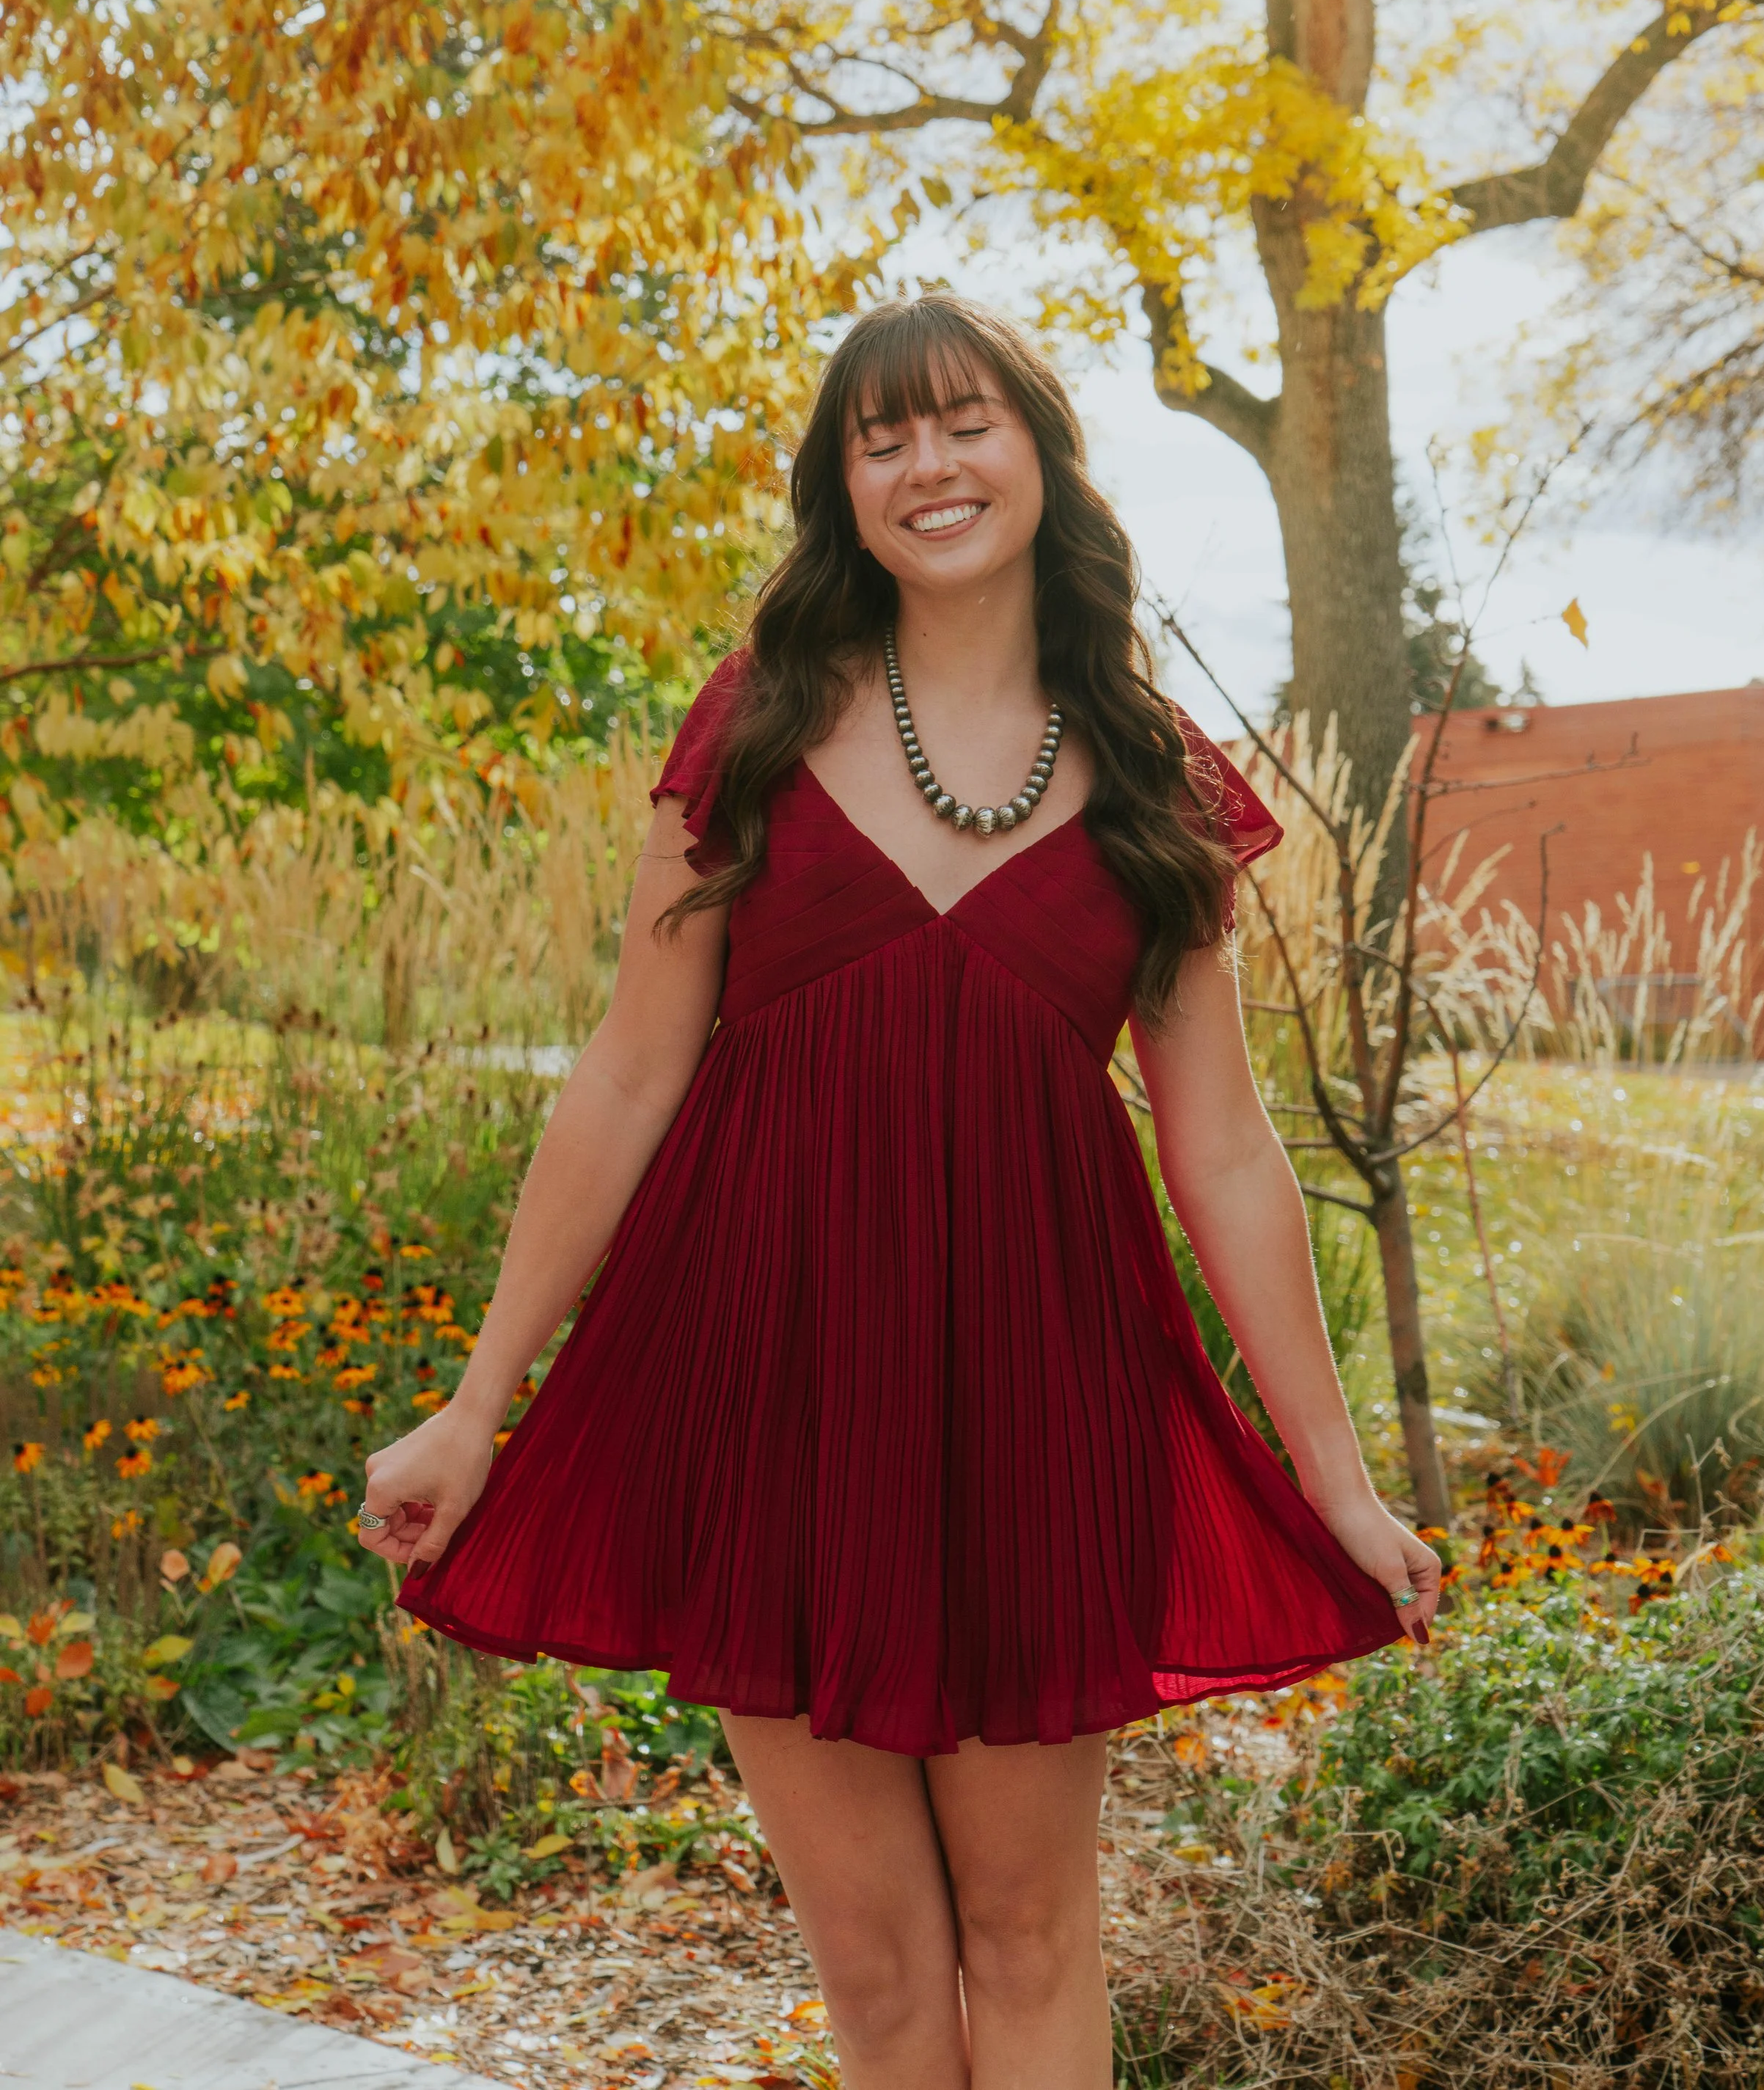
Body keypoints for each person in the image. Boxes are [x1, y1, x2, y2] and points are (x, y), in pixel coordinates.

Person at [356, 295, 1441, 2090]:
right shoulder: (758, 726)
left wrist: (1328, 1475)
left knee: (1027, 1938)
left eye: (962, 423)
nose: (926, 464)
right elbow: (630, 1072)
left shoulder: (1150, 779)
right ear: (840, 486)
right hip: (771, 1391)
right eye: (882, 438)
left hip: (1037, 1397)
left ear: (1038, 452)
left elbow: (1225, 1143)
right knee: (871, 1971)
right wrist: (480, 1405)